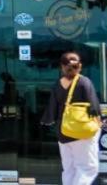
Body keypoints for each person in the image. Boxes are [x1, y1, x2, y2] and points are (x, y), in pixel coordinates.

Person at [41, 51, 102, 185]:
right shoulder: (84, 82)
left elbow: (52, 109)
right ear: (79, 66)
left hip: (64, 131)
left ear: (62, 67)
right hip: (82, 132)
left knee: (69, 169)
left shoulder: (57, 84)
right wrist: (98, 125)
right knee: (87, 168)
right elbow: (94, 108)